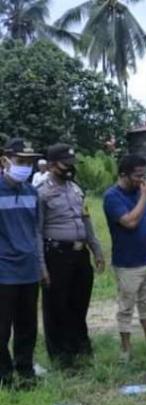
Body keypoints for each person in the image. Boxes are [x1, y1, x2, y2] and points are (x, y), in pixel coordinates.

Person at [38, 143, 105, 369]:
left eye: (71, 165)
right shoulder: (42, 193)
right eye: (64, 165)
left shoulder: (75, 189)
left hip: (79, 254)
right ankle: (61, 355)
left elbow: (85, 220)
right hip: (56, 254)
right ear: (50, 165)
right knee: (57, 306)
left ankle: (80, 347)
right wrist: (42, 266)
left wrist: (96, 249)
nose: (69, 169)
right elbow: (36, 232)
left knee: (79, 303)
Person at [103, 154, 146, 363]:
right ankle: (126, 350)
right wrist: (144, 197)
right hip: (127, 263)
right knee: (126, 307)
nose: (142, 180)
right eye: (138, 175)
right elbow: (129, 222)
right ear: (123, 174)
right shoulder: (112, 197)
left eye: (143, 175)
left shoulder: (140, 190)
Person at [0, 138, 45, 389]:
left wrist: (41, 265)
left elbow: (36, 232)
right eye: (20, 161)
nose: (25, 167)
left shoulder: (32, 193)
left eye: (29, 162)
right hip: (3, 273)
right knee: (1, 330)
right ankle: (4, 376)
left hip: (28, 271)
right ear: (5, 160)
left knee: (27, 327)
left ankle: (25, 371)